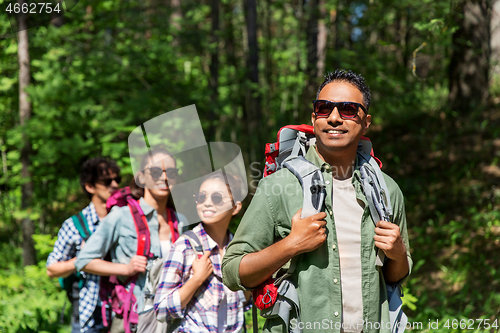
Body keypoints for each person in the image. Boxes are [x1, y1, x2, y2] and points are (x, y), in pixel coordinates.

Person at [222, 69, 412, 333]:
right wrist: (291, 245)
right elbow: (232, 271)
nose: (334, 118)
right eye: (324, 108)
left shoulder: (386, 191)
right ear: (314, 119)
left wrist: (398, 253)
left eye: (348, 110)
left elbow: (395, 276)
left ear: (366, 122)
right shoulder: (277, 187)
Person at [75, 148, 186, 333]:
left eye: (171, 173)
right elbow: (83, 261)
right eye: (157, 172)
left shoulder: (180, 221)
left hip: (172, 319)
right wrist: (125, 268)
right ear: (141, 177)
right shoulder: (121, 216)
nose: (164, 178)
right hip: (133, 318)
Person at [155, 173, 251, 333]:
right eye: (201, 197)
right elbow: (161, 309)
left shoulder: (238, 248)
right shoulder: (184, 246)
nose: (206, 203)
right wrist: (197, 279)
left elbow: (243, 302)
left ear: (235, 207)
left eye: (217, 198)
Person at [47, 157, 121, 333]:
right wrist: (84, 260)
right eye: (106, 181)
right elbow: (52, 269)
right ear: (90, 186)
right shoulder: (74, 225)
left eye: (117, 179)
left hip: (123, 307)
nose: (115, 185)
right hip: (89, 311)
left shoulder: (126, 218)